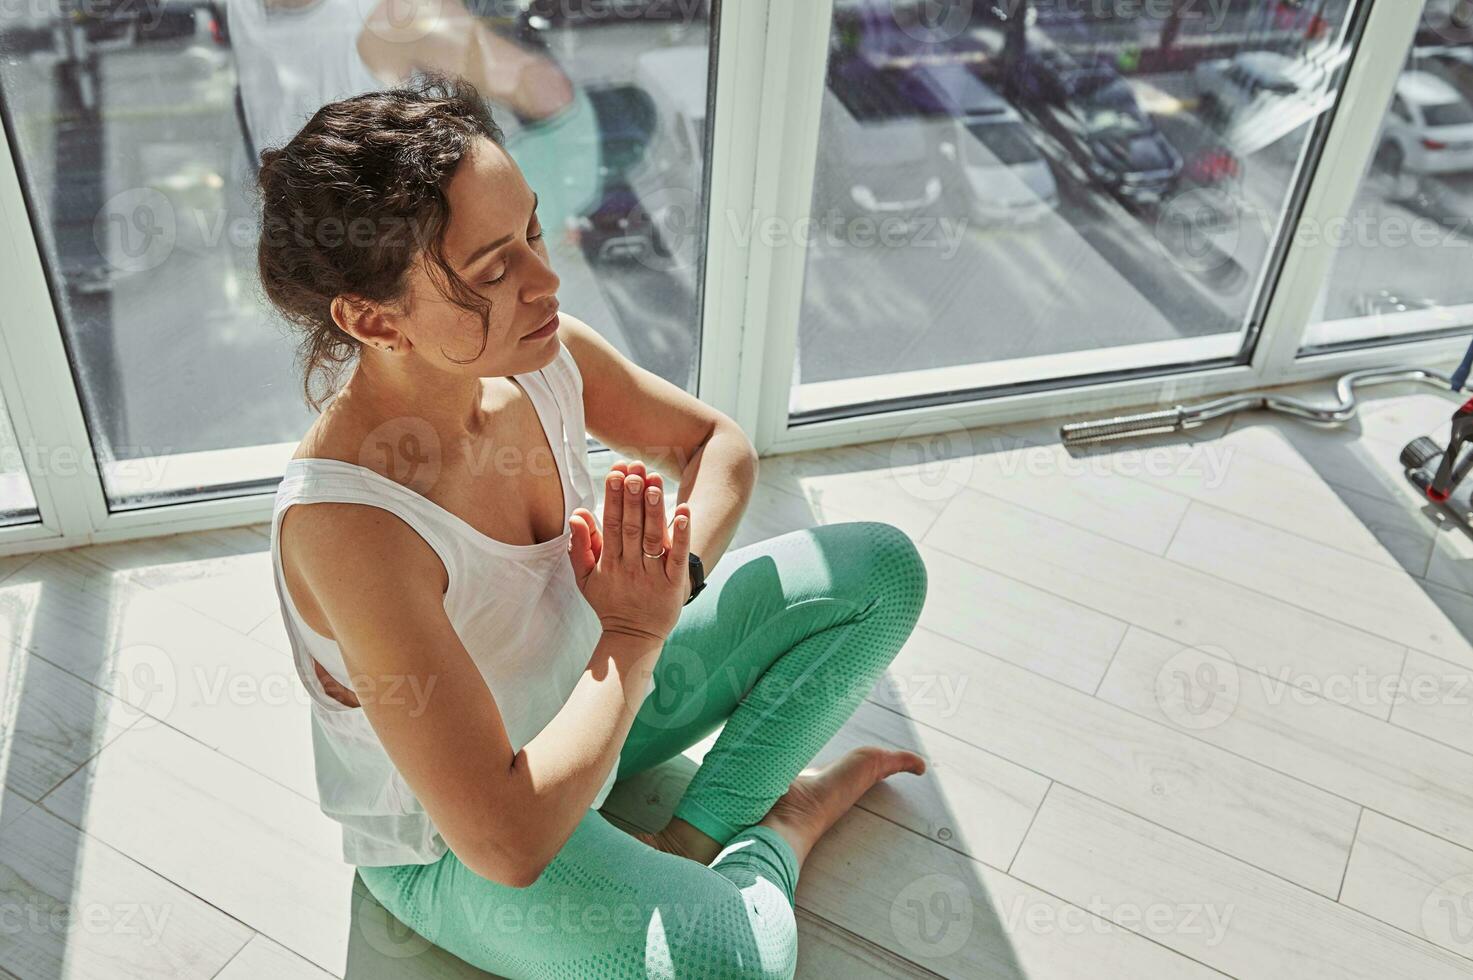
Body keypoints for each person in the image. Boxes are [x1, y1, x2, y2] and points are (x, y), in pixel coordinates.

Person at [259, 71, 929, 979]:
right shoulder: (351, 528)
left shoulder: (539, 355)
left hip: (601, 698)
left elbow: (715, 443)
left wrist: (667, 581)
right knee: (724, 964)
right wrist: (631, 631)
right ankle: (783, 827)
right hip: (462, 840)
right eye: (494, 269)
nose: (547, 278)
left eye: (530, 229)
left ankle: (689, 839)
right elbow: (506, 844)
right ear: (374, 320)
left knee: (878, 572)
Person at [228, 0, 602, 240]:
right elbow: (547, 92)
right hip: (410, 253)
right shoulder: (402, 13)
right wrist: (545, 209)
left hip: (309, 238)